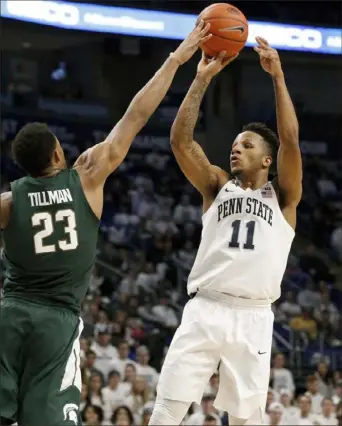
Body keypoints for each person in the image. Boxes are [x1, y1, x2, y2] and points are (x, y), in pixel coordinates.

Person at [0, 21, 212, 426]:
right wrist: (178, 57)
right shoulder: (87, 177)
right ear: (59, 153)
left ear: (22, 167)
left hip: (10, 314)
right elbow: (135, 115)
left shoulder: (9, 202)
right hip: (57, 323)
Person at [149, 37, 302, 426]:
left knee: (246, 419)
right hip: (206, 307)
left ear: (267, 159)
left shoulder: (283, 198)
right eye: (234, 144)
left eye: (246, 146)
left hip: (253, 315)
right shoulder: (217, 186)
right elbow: (180, 142)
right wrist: (200, 79)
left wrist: (278, 76)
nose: (236, 149)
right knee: (167, 408)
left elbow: (290, 140)